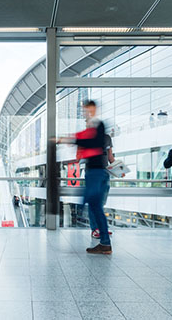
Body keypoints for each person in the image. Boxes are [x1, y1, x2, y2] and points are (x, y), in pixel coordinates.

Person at [56, 100, 112, 254]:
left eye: (87, 110)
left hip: (97, 172)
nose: (85, 113)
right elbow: (82, 146)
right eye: (84, 110)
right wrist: (66, 140)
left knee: (91, 203)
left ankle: (104, 241)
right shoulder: (92, 129)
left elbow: (92, 142)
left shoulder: (98, 127)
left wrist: (71, 140)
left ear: (93, 109)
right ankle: (105, 242)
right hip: (94, 172)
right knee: (95, 205)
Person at [90, 132, 115, 239]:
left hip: (105, 174)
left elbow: (110, 157)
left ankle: (101, 228)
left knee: (101, 202)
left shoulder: (107, 138)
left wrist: (119, 169)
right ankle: (95, 228)